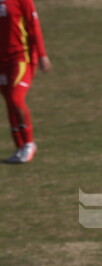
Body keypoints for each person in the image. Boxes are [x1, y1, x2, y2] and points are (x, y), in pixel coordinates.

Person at [1, 0, 50, 164]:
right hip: (1, 63)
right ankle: (19, 147)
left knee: (16, 99)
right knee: (9, 102)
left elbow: (33, 25)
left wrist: (42, 55)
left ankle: (29, 143)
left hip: (20, 59)